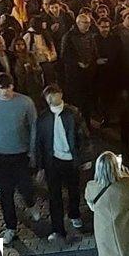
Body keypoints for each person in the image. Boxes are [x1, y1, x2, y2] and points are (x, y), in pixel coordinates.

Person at [0, 72, 40, 244]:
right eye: (1, 88)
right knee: (6, 195)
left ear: (13, 85)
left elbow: (33, 127)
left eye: (8, 87)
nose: (6, 92)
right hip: (0, 155)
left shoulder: (25, 102)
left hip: (20, 154)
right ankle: (10, 227)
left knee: (26, 187)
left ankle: (31, 204)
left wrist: (32, 151)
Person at [34, 84, 92, 241]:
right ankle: (57, 228)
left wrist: (85, 158)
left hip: (70, 159)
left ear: (61, 94)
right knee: (54, 195)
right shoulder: (44, 117)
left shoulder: (73, 113)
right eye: (49, 96)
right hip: (52, 161)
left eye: (54, 94)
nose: (51, 98)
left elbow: (83, 136)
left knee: (73, 189)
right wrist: (40, 166)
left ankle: (74, 214)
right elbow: (39, 142)